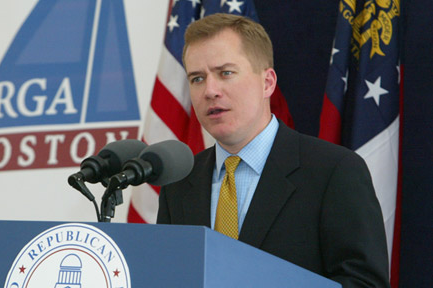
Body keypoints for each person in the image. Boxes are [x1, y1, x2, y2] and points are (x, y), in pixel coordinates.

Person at [157, 13, 390, 287]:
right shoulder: (180, 183)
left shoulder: (334, 171)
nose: (210, 90)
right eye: (197, 78)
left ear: (267, 83)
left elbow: (364, 283)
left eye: (226, 73)